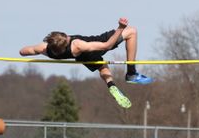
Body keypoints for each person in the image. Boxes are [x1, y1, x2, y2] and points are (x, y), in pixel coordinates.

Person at [20, 18, 153, 108]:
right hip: (92, 46)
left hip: (81, 58)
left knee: (102, 67)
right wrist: (120, 28)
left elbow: (24, 51)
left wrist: (31, 50)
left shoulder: (47, 50)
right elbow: (106, 45)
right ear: (66, 38)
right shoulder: (77, 44)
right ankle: (131, 73)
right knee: (132, 32)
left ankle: (111, 84)